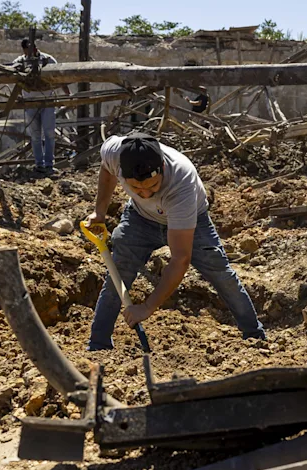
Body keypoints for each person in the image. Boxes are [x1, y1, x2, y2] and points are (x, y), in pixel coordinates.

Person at [85, 132, 266, 351]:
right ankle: (98, 344)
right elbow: (106, 170)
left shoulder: (181, 181)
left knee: (220, 272)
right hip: (140, 219)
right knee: (118, 272)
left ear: (161, 166)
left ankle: (254, 335)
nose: (145, 193)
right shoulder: (115, 153)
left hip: (192, 220)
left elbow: (181, 258)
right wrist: (100, 213)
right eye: (136, 188)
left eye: (152, 186)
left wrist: (148, 307)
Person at [12, 38, 70, 175]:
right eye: (27, 52)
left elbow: (59, 76)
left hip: (47, 102)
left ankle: (49, 164)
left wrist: (68, 94)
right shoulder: (20, 61)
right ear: (24, 51)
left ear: (36, 49)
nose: (30, 54)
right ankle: (39, 164)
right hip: (30, 103)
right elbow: (12, 75)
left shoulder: (48, 60)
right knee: (35, 135)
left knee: (49, 133)